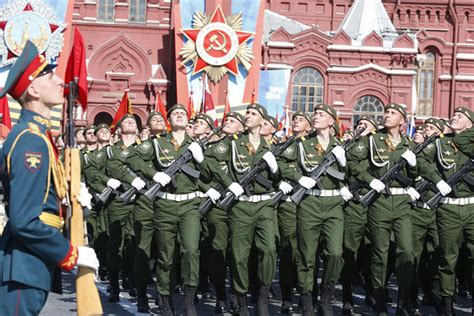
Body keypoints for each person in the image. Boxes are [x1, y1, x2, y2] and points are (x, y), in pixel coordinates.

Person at [0, 40, 98, 315]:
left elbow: (41, 204)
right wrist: (71, 253)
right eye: (49, 75)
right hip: (24, 264)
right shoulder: (31, 142)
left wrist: (74, 204)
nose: (59, 81)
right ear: (32, 89)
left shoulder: (39, 138)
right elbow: (25, 221)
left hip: (30, 263)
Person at [205, 103, 280, 315]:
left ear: (262, 120)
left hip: (264, 204)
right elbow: (209, 160)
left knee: (268, 250)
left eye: (253, 113)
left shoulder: (272, 146)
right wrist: (229, 183)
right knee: (239, 255)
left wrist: (275, 168)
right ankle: (241, 300)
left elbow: (279, 178)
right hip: (240, 205)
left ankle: (263, 298)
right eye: (247, 113)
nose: (248, 116)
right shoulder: (233, 142)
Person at [349, 103, 418, 316]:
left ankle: (402, 302)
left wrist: (414, 165)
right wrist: (369, 180)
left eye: (393, 113)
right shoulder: (372, 140)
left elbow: (416, 174)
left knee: (406, 251)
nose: (387, 116)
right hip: (379, 203)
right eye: (386, 112)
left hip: (402, 203)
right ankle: (379, 300)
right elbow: (353, 161)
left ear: (402, 121)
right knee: (380, 253)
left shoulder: (409, 144)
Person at [281, 104, 348, 316]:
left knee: (335, 253)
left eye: (321, 115)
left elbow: (354, 171)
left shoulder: (340, 146)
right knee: (306, 256)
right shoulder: (302, 144)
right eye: (315, 114)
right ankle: (307, 298)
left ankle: (326, 296)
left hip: (334, 205)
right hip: (309, 204)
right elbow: (283, 163)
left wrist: (344, 163)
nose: (316, 117)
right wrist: (299, 177)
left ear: (331, 121)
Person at [418, 107, 473, 315]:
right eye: (454, 115)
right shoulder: (440, 143)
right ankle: (447, 305)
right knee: (448, 258)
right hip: (448, 208)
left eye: (460, 116)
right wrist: (437, 180)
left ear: (469, 124)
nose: (454, 117)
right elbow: (422, 161)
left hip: (472, 206)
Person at [202, 112, 246, 313]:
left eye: (233, 121)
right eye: (226, 120)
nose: (227, 123)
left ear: (242, 128)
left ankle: (237, 294)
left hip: (240, 205)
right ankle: (220, 294)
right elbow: (204, 171)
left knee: (238, 253)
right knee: (218, 249)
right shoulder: (214, 148)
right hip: (219, 204)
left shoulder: (249, 147)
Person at [341, 115, 378, 314]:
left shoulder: (380, 147)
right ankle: (347, 297)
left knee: (373, 252)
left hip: (374, 203)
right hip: (354, 203)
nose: (361, 127)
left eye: (366, 125)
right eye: (359, 124)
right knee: (350, 252)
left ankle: (372, 292)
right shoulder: (347, 147)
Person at [277, 111, 312, 313]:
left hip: (311, 203)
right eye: (294, 119)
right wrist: (282, 180)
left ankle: (307, 292)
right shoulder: (286, 144)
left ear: (309, 126)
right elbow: (277, 167)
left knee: (308, 251)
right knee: (289, 249)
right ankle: (287, 296)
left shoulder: (315, 145)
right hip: (290, 203)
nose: (296, 122)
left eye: (301, 120)